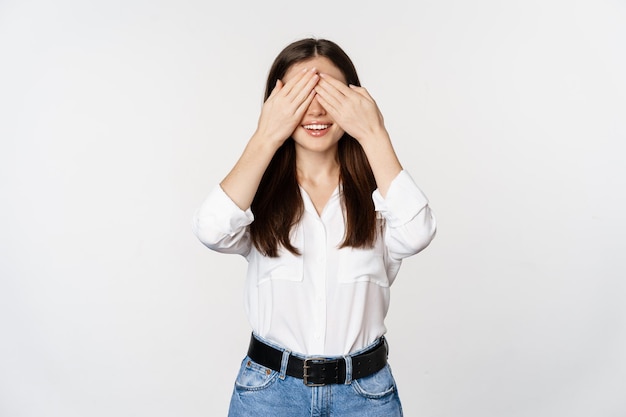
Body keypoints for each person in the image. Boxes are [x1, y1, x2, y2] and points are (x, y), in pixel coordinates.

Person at [192, 38, 436, 417]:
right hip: (269, 394)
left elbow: (419, 232)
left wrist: (373, 133)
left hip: (365, 395)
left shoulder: (380, 194)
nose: (317, 108)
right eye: (302, 95)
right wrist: (265, 135)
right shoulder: (259, 193)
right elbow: (211, 229)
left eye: (330, 93)